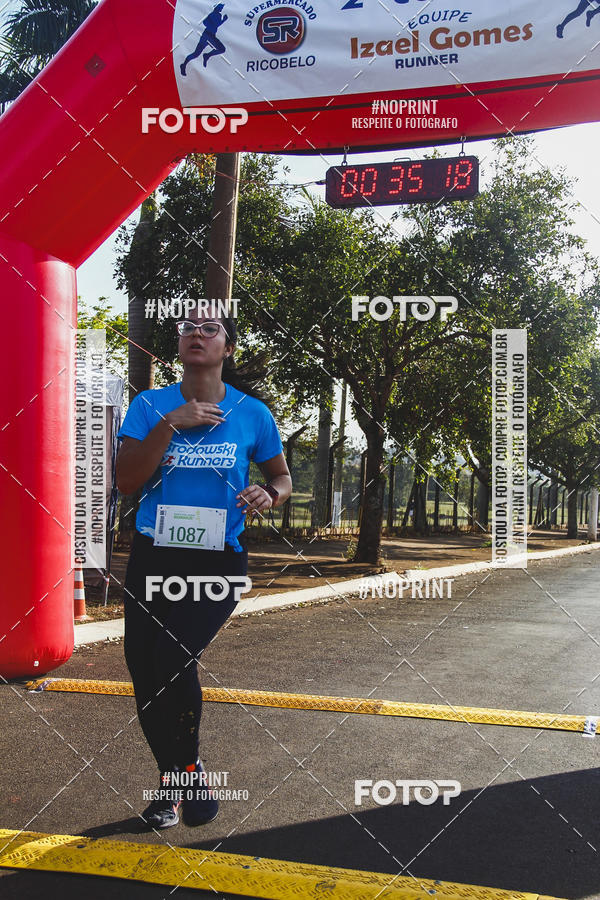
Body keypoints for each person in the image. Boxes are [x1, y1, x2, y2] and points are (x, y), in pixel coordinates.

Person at [115, 303, 292, 829]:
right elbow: (127, 481)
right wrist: (170, 424)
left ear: (227, 347)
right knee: (144, 673)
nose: (196, 333)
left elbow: (281, 477)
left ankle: (187, 773)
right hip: (154, 555)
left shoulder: (253, 413)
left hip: (216, 559)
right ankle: (174, 784)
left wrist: (270, 493)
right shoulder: (150, 406)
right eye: (187, 327)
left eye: (209, 328)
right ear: (179, 345)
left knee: (173, 658)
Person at [180, 4, 228, 75]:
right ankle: (184, 65)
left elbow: (216, 25)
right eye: (221, 7)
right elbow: (205, 22)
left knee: (221, 49)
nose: (222, 9)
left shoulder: (219, 15)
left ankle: (207, 55)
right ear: (217, 7)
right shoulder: (212, 14)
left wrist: (222, 20)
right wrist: (223, 21)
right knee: (196, 54)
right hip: (207, 35)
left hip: (211, 36)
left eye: (222, 8)